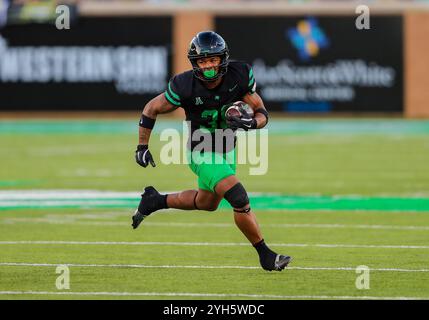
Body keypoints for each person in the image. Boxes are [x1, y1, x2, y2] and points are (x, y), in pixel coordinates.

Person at [132, 31, 292, 271]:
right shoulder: (184, 85)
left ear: (222, 59)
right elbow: (151, 108)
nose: (208, 66)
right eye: (203, 61)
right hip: (201, 149)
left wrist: (252, 123)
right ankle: (266, 255)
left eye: (213, 60)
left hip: (228, 147)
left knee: (207, 202)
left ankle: (155, 201)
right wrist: (142, 147)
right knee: (238, 197)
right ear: (195, 63)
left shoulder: (239, 75)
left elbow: (262, 112)